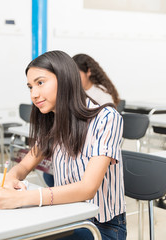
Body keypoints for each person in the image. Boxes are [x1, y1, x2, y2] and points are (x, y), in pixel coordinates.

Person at [0, 50, 126, 240]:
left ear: (65, 79)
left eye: (40, 83)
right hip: (64, 217)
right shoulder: (53, 119)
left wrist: (21, 199)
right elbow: (24, 165)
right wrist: (11, 177)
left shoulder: (106, 118)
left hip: (100, 227)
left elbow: (88, 188)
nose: (34, 94)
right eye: (30, 87)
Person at [43, 53, 121, 187]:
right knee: (49, 172)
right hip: (75, 144)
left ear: (88, 72)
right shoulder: (75, 94)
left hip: (90, 147)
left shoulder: (102, 96)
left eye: (77, 75)